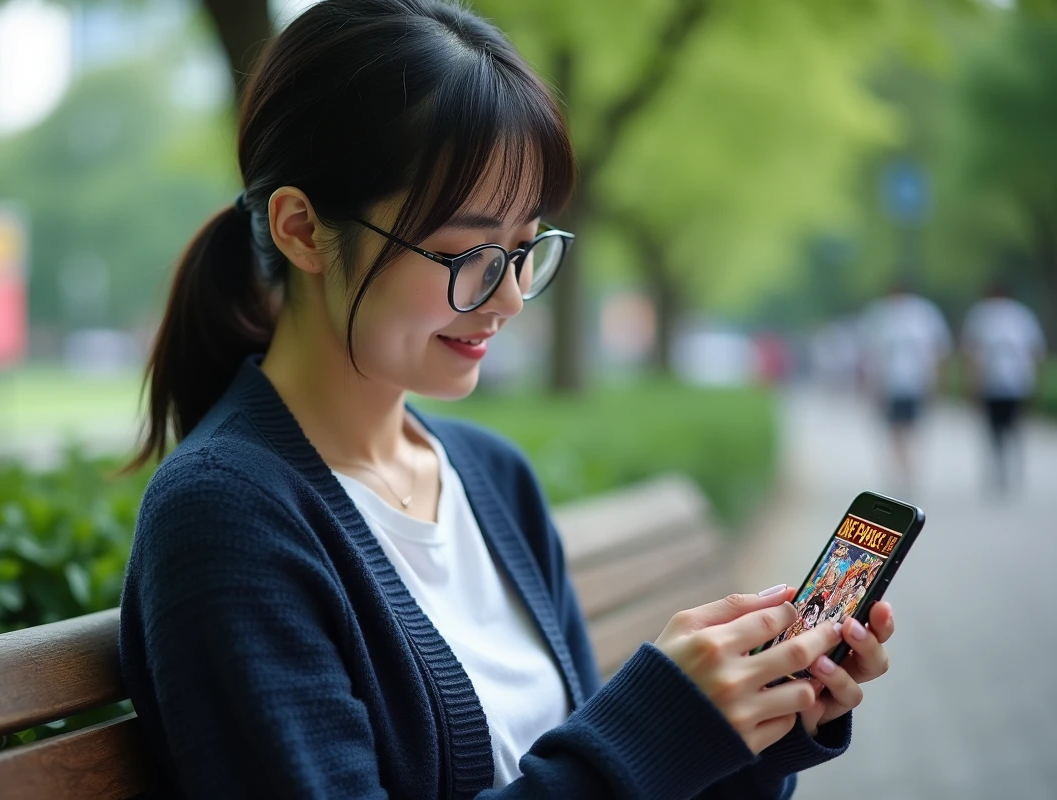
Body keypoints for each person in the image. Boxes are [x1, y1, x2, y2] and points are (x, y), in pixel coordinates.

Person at [117, 1, 897, 796]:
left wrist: (754, 730)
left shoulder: (492, 477)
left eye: (525, 249)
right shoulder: (227, 518)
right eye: (467, 252)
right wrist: (655, 726)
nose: (511, 297)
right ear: (300, 229)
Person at [859, 283, 953, 486]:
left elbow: (938, 350)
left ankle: (908, 467)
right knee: (896, 428)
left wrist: (938, 379)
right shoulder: (882, 316)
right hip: (891, 384)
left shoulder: (923, 314)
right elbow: (871, 354)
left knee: (909, 428)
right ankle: (903, 468)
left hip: (915, 382)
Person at [960, 283, 1048, 494]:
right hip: (994, 383)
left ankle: (1008, 466)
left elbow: (1034, 351)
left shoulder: (1018, 316)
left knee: (1010, 428)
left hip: (1014, 382)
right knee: (996, 429)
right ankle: (1001, 468)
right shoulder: (984, 316)